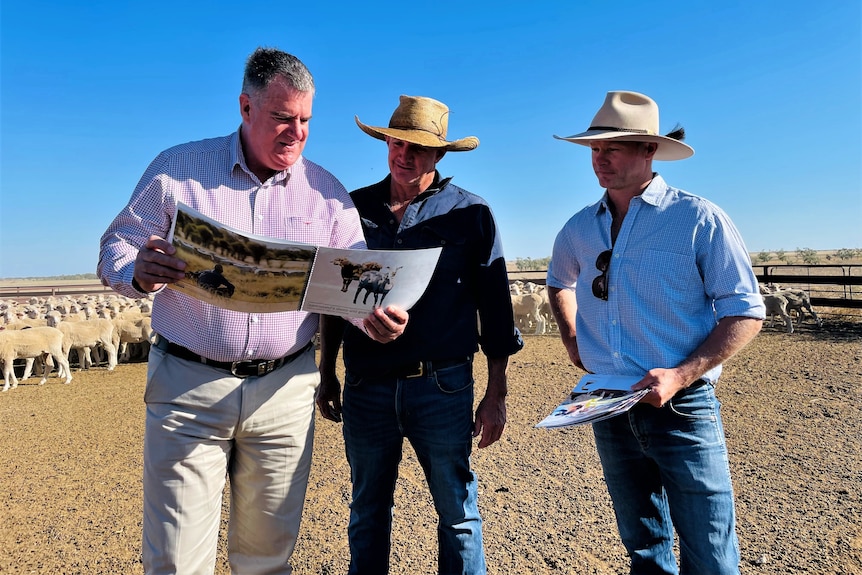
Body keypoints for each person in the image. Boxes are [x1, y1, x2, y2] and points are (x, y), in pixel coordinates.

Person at [97, 47, 407, 575]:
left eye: (306, 119)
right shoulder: (178, 171)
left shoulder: (328, 196)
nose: (297, 132)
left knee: (267, 559)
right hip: (188, 389)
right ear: (245, 107)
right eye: (282, 117)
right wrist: (138, 269)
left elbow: (354, 283)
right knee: (175, 560)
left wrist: (375, 316)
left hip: (284, 392)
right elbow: (115, 248)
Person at [546, 91, 765, 574]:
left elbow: (746, 310)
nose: (599, 159)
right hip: (607, 402)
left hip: (682, 407)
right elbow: (558, 280)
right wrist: (572, 341)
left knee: (709, 550)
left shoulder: (697, 219)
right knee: (643, 545)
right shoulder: (580, 228)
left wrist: (682, 374)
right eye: (593, 149)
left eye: (613, 148)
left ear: (649, 150)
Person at [315, 95, 523, 575]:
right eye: (396, 142)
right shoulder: (353, 209)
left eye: (417, 148)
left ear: (439, 155)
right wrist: (326, 373)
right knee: (367, 511)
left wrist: (496, 394)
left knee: (457, 514)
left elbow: (494, 308)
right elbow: (332, 296)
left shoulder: (471, 214)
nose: (403, 154)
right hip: (367, 385)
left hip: (443, 385)